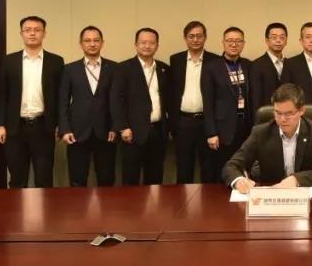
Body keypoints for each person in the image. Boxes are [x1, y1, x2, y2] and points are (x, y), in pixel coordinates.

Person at [222, 83, 312, 192]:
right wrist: (238, 181)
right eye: (278, 113)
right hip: (271, 196)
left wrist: (296, 179)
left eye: (288, 114)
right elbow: (231, 166)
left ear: (302, 110)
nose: (282, 119)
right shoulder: (261, 133)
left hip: (306, 197)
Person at [0, 15, 64, 188]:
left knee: (44, 178)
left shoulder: (56, 61)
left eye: (37, 30)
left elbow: (60, 96)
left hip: (44, 127)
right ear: (21, 34)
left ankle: (45, 207)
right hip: (15, 127)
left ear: (44, 33)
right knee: (17, 179)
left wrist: (60, 124)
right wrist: (0, 125)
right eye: (27, 30)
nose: (32, 33)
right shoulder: (8, 61)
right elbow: (1, 95)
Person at [58, 26, 118, 187]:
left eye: (96, 40)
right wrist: (65, 129)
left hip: (106, 132)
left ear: (102, 43)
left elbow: (117, 101)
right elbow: (63, 101)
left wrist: (115, 127)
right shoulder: (69, 69)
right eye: (87, 40)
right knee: (77, 180)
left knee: (106, 179)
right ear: (81, 44)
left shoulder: (114, 68)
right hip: (76, 132)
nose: (92, 44)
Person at [111, 27, 169, 185]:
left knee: (155, 178)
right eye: (143, 42)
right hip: (132, 133)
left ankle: (154, 202)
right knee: (131, 178)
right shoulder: (123, 68)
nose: (147, 46)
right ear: (136, 44)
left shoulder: (164, 69)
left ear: (157, 45)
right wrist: (123, 127)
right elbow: (116, 100)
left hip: (158, 131)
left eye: (151, 43)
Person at [168, 21, 219, 184]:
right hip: (183, 122)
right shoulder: (176, 60)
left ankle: (209, 200)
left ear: (205, 37)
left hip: (207, 122)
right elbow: (171, 92)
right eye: (191, 36)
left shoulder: (215, 60)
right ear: (185, 38)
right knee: (184, 168)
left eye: (199, 36)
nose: (195, 40)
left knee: (209, 168)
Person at [202, 27, 252, 185]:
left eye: (238, 41)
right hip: (222, 128)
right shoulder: (211, 67)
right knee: (221, 169)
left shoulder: (249, 65)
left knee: (244, 167)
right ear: (223, 43)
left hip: (245, 125)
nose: (234, 44)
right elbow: (207, 103)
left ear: (243, 44)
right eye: (230, 41)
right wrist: (211, 132)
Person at [249, 23, 287, 115]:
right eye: (274, 37)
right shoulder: (256, 65)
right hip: (266, 116)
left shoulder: (290, 64)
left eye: (282, 37)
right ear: (267, 40)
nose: (278, 40)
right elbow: (255, 99)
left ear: (286, 41)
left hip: (287, 116)